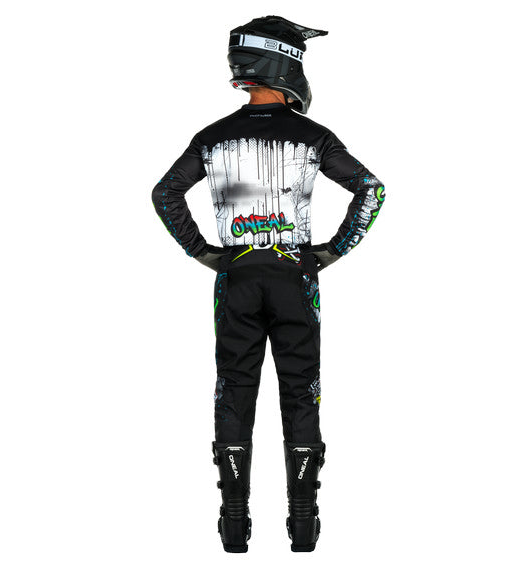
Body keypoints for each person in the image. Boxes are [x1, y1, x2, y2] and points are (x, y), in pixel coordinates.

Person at [151, 15, 385, 553]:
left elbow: (166, 193)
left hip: (235, 277)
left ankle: (234, 523)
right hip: (294, 276)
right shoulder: (314, 136)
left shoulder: (211, 137)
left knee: (234, 388)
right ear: (287, 65)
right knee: (300, 389)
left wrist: (203, 252)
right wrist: (332, 250)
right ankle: (303, 524)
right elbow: (371, 190)